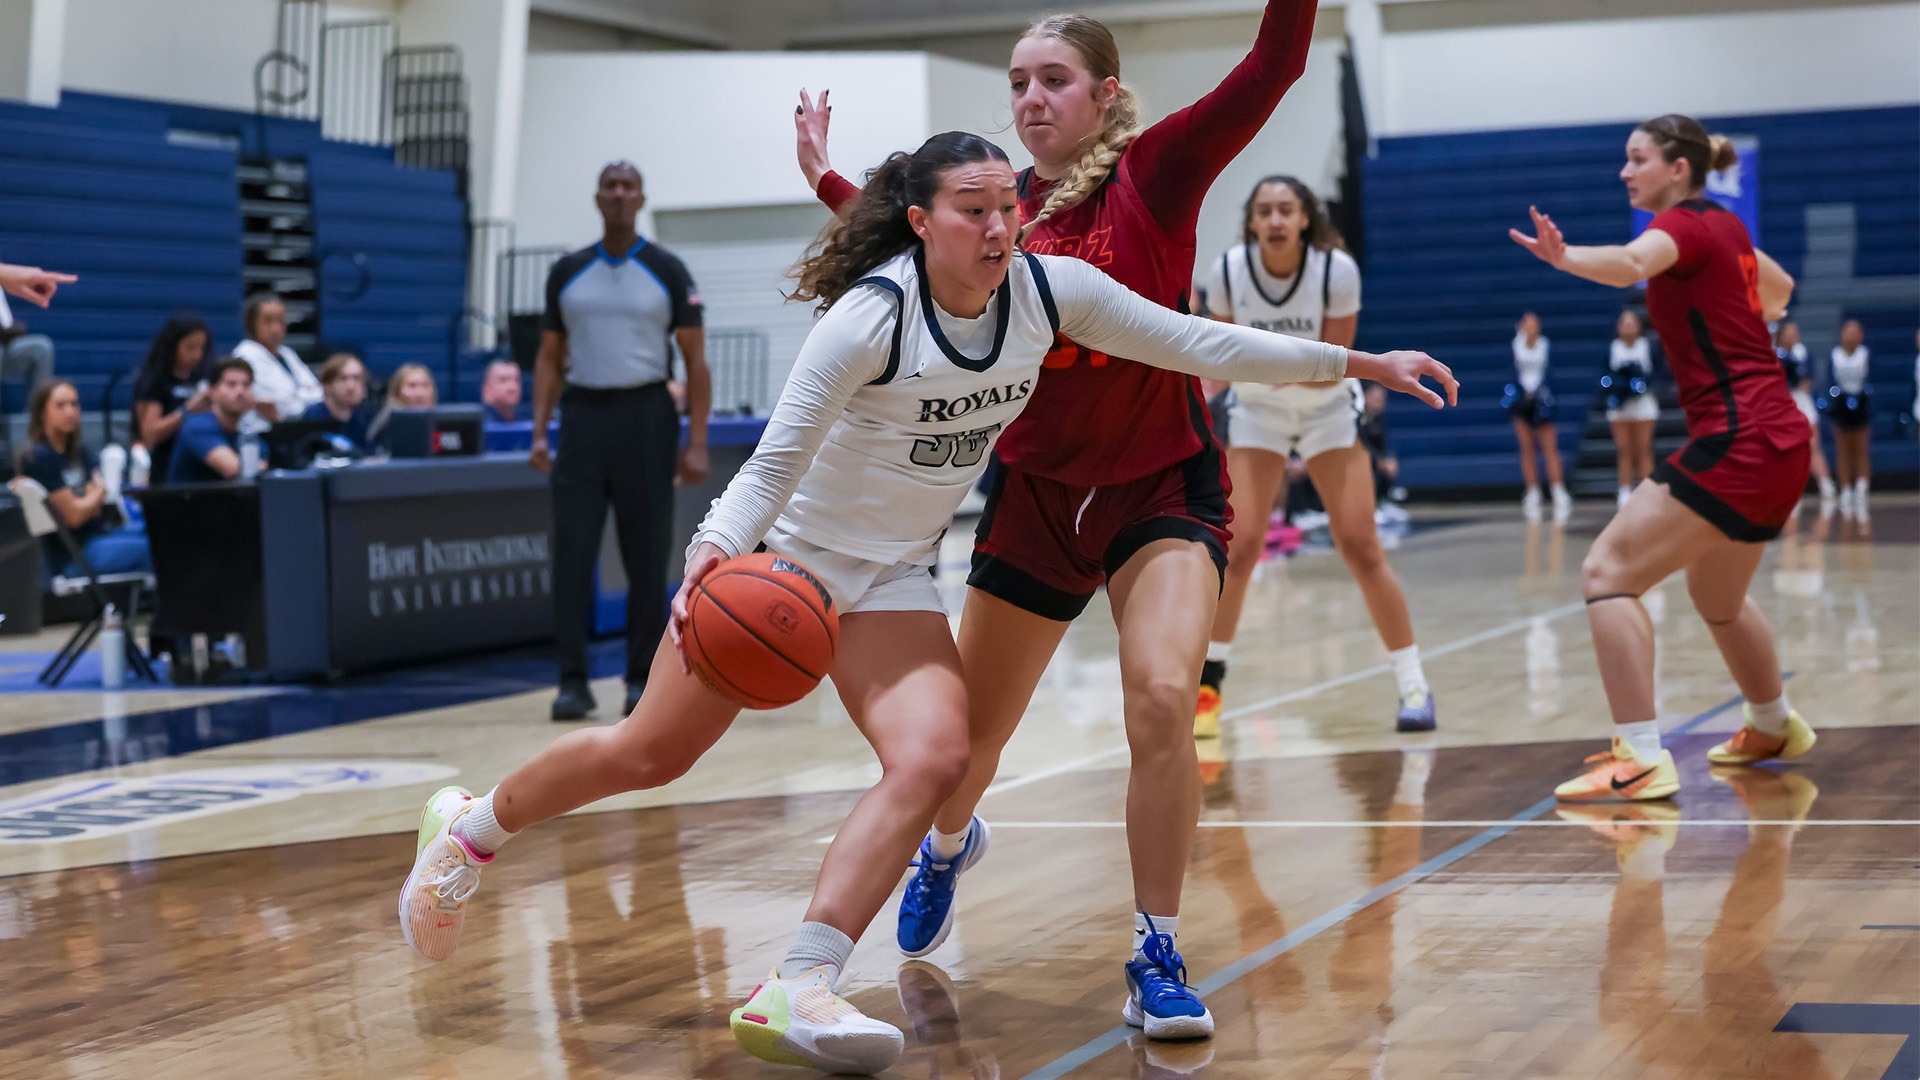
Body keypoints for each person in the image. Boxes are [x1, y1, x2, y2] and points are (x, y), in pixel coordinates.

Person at [397, 133, 1454, 1074]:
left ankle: (799, 982)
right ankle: (470, 831)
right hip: (787, 564)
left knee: (938, 758)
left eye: (1009, 209)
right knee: (651, 754)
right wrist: (708, 558)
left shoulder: (1047, 294)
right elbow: (767, 469)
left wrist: (1361, 361)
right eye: (974, 211)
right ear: (921, 222)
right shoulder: (871, 317)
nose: (1000, 227)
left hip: (896, 577)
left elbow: (1200, 342)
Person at [797, 0, 1331, 1038]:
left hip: (1162, 489)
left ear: (1105, 97)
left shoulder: (1157, 173)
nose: (1031, 98)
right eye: (1018, 83)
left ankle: (1158, 950)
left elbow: (1275, 64)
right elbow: (897, 229)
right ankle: (950, 844)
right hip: (1038, 498)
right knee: (966, 748)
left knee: (1164, 700)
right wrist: (822, 170)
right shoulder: (996, 205)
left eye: (1053, 80)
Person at [1511, 112, 1815, 802]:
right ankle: (1771, 723)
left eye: (1637, 158)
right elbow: (1780, 293)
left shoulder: (1676, 227)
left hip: (1740, 439)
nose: (1625, 171)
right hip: (1781, 440)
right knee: (1718, 597)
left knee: (1606, 571)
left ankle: (1640, 757)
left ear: (1678, 168)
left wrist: (1564, 258)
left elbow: (1628, 266)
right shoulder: (1725, 225)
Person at [1195, 174, 1435, 739]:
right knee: (1242, 546)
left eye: (1286, 210)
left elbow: (1337, 358)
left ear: (1306, 218)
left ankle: (1413, 683)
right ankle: (1209, 684)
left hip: (1327, 407)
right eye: (1265, 211)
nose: (1276, 220)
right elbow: (1224, 356)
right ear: (1252, 222)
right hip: (1259, 409)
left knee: (1360, 545)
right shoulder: (1228, 271)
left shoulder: (1336, 270)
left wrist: (1270, 371)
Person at [531, 161, 713, 722]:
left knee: (646, 554)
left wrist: (697, 440)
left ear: (640, 198)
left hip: (646, 415)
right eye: (609, 185)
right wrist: (540, 429)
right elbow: (549, 358)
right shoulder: (566, 271)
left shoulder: (668, 269)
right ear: (597, 197)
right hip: (583, 416)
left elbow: (695, 360)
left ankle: (639, 678)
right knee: (572, 553)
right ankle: (571, 682)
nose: (617, 194)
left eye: (627, 186)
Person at [16, 379, 150, 577]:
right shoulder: (40, 457)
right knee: (154, 548)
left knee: (159, 533)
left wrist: (86, 501)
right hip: (72, 555)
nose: (70, 411)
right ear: (42, 412)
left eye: (74, 404)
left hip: (98, 537)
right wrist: (97, 492)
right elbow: (74, 518)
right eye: (60, 405)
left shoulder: (80, 451)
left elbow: (94, 511)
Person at [131, 317, 213, 485]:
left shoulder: (201, 378)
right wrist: (187, 410)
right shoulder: (156, 381)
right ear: (173, 345)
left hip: (198, 463)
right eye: (190, 347)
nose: (197, 355)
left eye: (201, 348)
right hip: (165, 468)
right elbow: (150, 434)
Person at [1506, 311, 1571, 521]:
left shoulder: (1546, 345)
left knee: (1550, 447)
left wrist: (1540, 392)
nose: (1531, 327)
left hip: (1543, 400)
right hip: (1521, 401)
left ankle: (1558, 489)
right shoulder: (1515, 346)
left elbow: (1551, 373)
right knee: (1526, 447)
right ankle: (1533, 491)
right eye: (1527, 323)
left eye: (1534, 323)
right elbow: (1512, 373)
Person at [232, 293, 321, 422]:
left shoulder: (287, 353)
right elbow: (286, 405)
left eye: (280, 320)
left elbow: (318, 392)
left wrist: (296, 395)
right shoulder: (246, 356)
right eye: (268, 321)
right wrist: (303, 395)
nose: (275, 328)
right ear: (251, 324)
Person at [1774, 320, 1835, 509]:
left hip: (1801, 401)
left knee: (1812, 445)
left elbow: (1806, 382)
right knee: (1786, 449)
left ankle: (1826, 486)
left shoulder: (1803, 353)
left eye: (1796, 332)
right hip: (1780, 404)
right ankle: (1788, 489)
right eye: (1789, 332)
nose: (1793, 336)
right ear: (1781, 335)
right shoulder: (1773, 354)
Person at [167, 359, 255, 484]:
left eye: (246, 385)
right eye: (231, 384)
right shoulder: (197, 426)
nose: (240, 391)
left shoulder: (249, 432)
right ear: (212, 391)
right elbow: (235, 469)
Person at [1604, 311, 1658, 509]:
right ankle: (1624, 490)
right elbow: (1605, 377)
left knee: (1643, 449)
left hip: (1644, 403)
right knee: (1624, 449)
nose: (1628, 327)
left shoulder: (1648, 346)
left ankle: (1647, 491)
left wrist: (1641, 384)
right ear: (1618, 327)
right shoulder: (1612, 348)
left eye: (1631, 323)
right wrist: (1617, 387)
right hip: (1620, 405)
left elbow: (1657, 373)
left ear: (1639, 326)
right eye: (1624, 323)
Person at [1824, 319, 1872, 517]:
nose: (1851, 335)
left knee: (1861, 448)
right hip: (1841, 404)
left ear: (1861, 335)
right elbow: (1829, 381)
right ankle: (1845, 489)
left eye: (1855, 332)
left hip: (1861, 403)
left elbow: (1871, 380)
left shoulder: (1865, 355)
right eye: (1847, 331)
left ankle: (1861, 488)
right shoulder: (1835, 356)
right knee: (1843, 450)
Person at [303, 353, 373, 450]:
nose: (351, 386)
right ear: (326, 384)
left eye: (356, 378)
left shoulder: (367, 417)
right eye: (343, 378)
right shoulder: (313, 417)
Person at [479, 358, 526, 422]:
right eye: (503, 380)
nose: (512, 387)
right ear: (486, 390)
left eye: (516, 380)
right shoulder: (477, 426)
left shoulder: (526, 426)